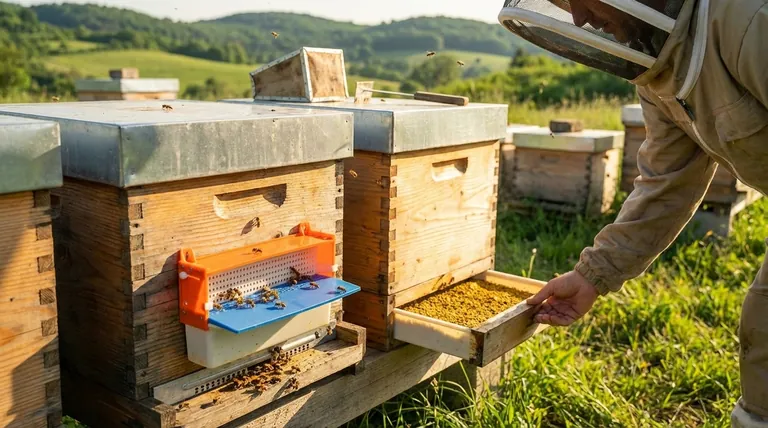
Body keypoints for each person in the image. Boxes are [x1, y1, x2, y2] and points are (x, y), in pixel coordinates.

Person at [497, 0, 768, 426]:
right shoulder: (659, 71)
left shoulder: (749, 21)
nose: (579, 19)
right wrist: (592, 275)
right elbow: (668, 181)